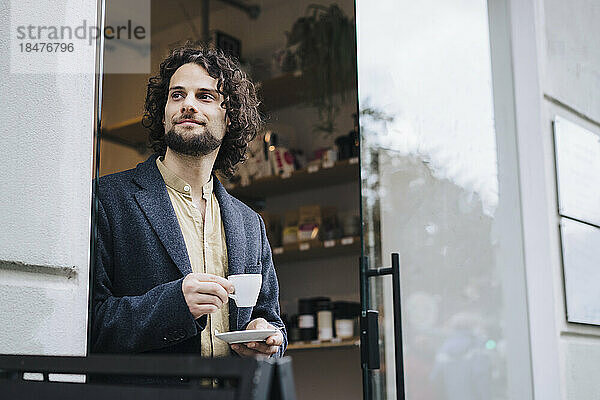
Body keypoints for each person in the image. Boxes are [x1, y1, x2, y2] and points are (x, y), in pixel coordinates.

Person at [91, 43, 287, 361]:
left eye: (204, 96)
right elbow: (89, 325)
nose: (188, 105)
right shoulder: (108, 199)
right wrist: (175, 304)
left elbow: (273, 323)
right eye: (177, 95)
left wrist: (267, 341)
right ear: (164, 112)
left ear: (230, 119)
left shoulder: (250, 223)